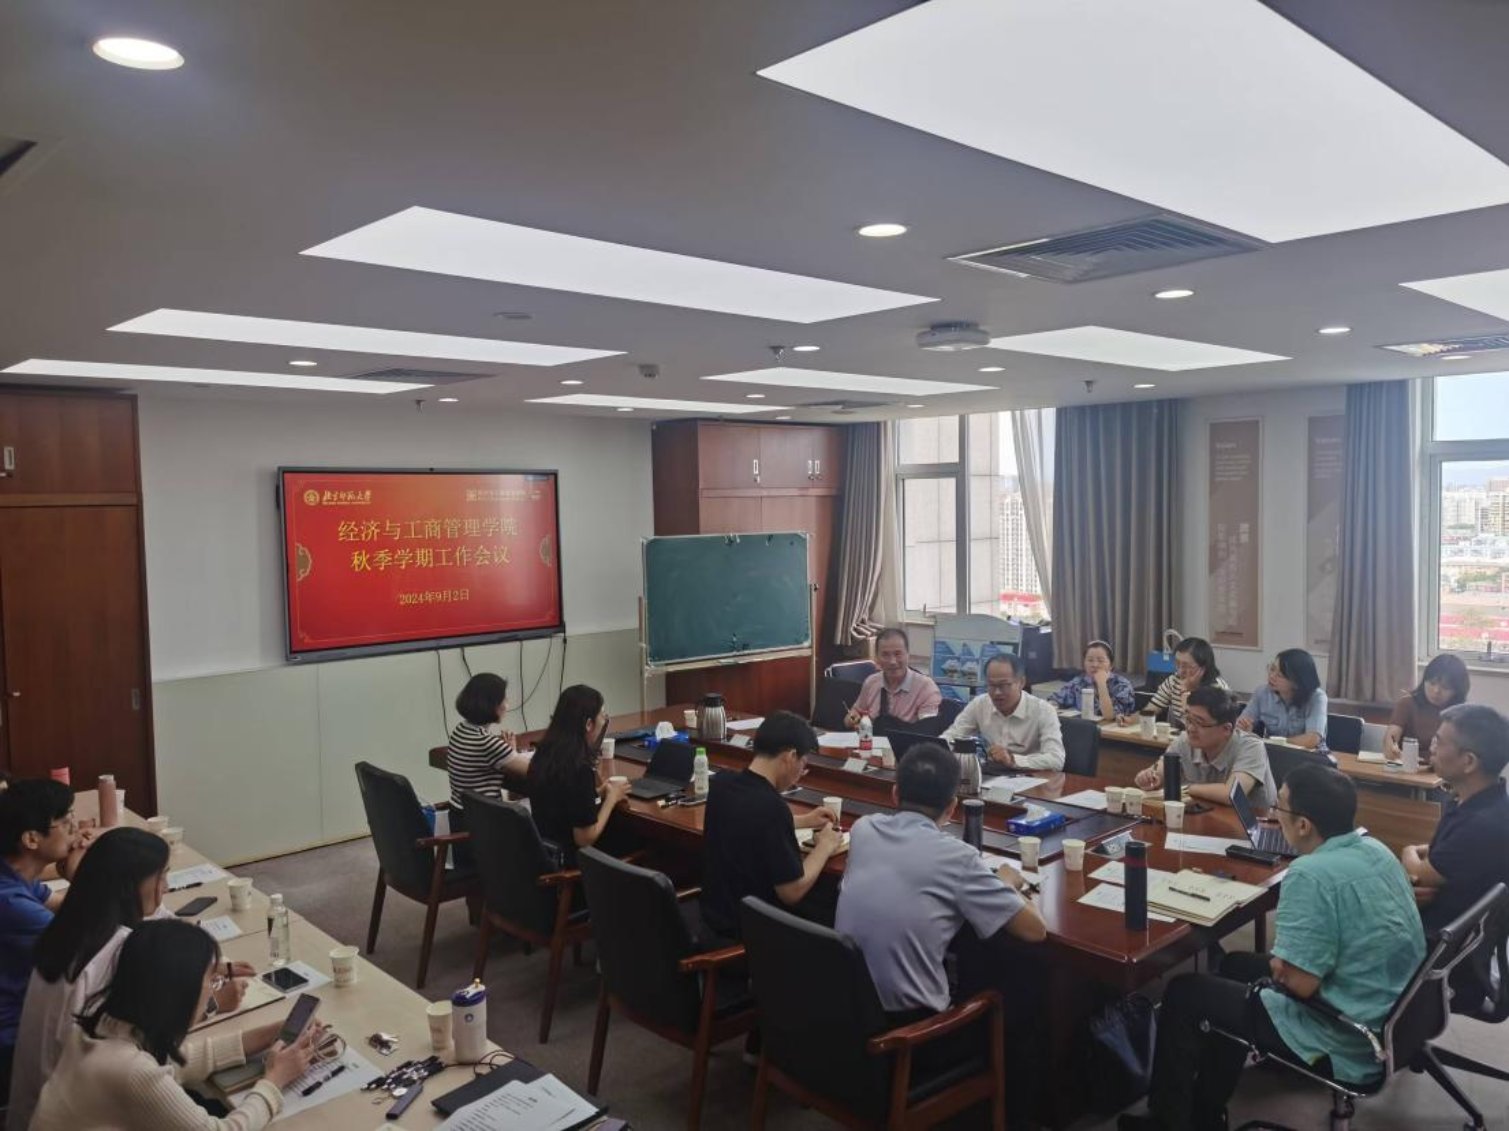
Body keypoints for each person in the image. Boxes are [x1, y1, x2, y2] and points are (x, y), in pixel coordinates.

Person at [1119, 765, 1425, 1131]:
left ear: (1303, 825)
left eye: (1279, 807)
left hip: (1348, 1032)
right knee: (1234, 966)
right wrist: (1283, 963)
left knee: (1185, 993)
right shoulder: (1376, 849)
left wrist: (1282, 966)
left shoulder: (1311, 873)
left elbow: (1299, 984)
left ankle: (1168, 1122)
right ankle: (1205, 1112)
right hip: (1393, 1012)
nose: (1273, 815)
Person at [837, 742, 1047, 1130]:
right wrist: (1007, 883)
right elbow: (1034, 930)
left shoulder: (864, 830)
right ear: (952, 808)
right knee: (1020, 991)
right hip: (910, 1039)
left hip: (845, 1017)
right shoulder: (958, 858)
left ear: (895, 794)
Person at [9, 827, 259, 1128]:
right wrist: (214, 1002)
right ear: (132, 886)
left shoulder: (75, 926)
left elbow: (162, 922)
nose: (165, 887)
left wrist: (203, 966)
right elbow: (160, 1035)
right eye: (161, 877)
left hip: (39, 1105)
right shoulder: (117, 952)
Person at [30, 919, 323, 1131]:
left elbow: (176, 1062)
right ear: (179, 993)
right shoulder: (129, 1070)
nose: (214, 989)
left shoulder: (104, 1022)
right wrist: (275, 1080)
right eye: (212, 980)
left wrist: (268, 1034)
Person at [700, 711, 840, 940]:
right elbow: (791, 892)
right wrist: (825, 846)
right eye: (803, 764)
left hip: (715, 915)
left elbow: (751, 820)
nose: (800, 774)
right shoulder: (772, 806)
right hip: (751, 932)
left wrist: (804, 820)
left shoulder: (722, 783)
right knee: (830, 904)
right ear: (790, 757)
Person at [1402, 703, 1509, 936]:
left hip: (1435, 939)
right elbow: (1446, 853)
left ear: (1468, 762)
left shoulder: (1482, 824)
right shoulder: (1480, 801)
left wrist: (1408, 850)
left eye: (1439, 742)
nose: (1431, 748)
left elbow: (1420, 875)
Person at [0, 778, 77, 1095]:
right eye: (65, 822)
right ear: (31, 838)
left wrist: (82, 868)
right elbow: (86, 943)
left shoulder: (14, 872)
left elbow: (61, 905)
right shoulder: (10, 902)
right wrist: (83, 873)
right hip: (13, 1040)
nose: (74, 830)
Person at [526, 684, 630, 866]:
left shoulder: (543, 754)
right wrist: (611, 799)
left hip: (546, 853)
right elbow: (585, 839)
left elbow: (562, 800)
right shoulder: (579, 768)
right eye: (602, 715)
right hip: (570, 864)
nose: (604, 720)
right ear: (588, 724)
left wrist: (597, 793)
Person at [1134, 686, 1276, 811]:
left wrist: (1186, 788)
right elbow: (1161, 770)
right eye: (1188, 719)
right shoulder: (1184, 740)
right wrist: (1151, 777)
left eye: (1199, 722)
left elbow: (1231, 794)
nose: (1190, 728)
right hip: (1206, 816)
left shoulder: (1251, 746)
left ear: (1226, 729)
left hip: (1253, 824)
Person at [941, 653, 1065, 771]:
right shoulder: (980, 704)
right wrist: (936, 750)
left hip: (1033, 777)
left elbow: (1056, 760)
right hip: (992, 775)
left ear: (1021, 682)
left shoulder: (1043, 710)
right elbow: (951, 737)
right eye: (991, 685)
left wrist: (1012, 759)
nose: (997, 692)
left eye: (1004, 685)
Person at [843, 627, 943, 728]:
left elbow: (928, 730)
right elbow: (853, 713)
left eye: (898, 654)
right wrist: (853, 719)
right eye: (885, 655)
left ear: (908, 655)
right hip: (872, 737)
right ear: (876, 657)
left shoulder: (926, 687)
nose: (892, 661)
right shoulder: (871, 682)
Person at [1236, 648, 1328, 751]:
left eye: (1280, 675)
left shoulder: (1316, 697)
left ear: (1297, 682)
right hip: (1273, 753)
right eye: (1272, 669)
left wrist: (1274, 742)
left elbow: (1312, 740)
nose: (1272, 676)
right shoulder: (1262, 693)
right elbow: (1239, 727)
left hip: (1308, 755)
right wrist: (1245, 730)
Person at [1386, 654, 1470, 764]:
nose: (1436, 691)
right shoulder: (1407, 704)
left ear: (1457, 691)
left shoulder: (1461, 714)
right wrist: (1392, 748)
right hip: (1407, 767)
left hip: (1443, 771)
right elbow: (1391, 737)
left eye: (1445, 687)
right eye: (1432, 683)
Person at [1141, 637, 1228, 729]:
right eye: (1177, 664)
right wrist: (1135, 719)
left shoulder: (1217, 690)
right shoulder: (1174, 680)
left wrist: (1186, 691)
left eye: (1187, 666)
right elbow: (1149, 711)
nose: (1180, 671)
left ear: (1203, 668)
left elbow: (1194, 727)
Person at [1051, 640, 1137, 720]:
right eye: (1090, 660)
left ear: (1111, 665)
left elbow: (1109, 716)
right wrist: (1053, 706)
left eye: (1100, 661)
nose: (1095, 665)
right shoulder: (1078, 682)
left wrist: (1102, 684)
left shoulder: (1122, 685)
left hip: (1111, 730)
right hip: (1084, 728)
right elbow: (1054, 700)